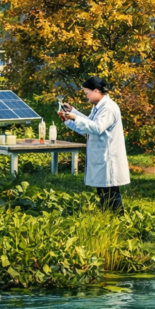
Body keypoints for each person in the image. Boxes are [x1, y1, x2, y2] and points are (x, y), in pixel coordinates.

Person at [57, 76, 130, 212]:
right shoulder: (99, 107)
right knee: (104, 193)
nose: (86, 96)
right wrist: (70, 115)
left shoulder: (108, 108)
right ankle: (109, 219)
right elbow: (88, 127)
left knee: (111, 193)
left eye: (87, 93)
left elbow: (97, 127)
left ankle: (119, 220)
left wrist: (75, 117)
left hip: (109, 159)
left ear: (96, 90)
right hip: (101, 157)